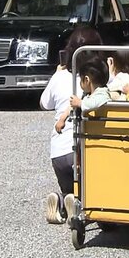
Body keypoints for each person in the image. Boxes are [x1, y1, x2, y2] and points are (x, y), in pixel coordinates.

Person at [39, 26, 102, 224]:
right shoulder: (95, 79)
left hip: (58, 153)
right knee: (91, 193)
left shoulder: (59, 77)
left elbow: (44, 103)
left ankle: (61, 201)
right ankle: (77, 204)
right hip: (81, 153)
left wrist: (55, 75)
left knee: (69, 187)